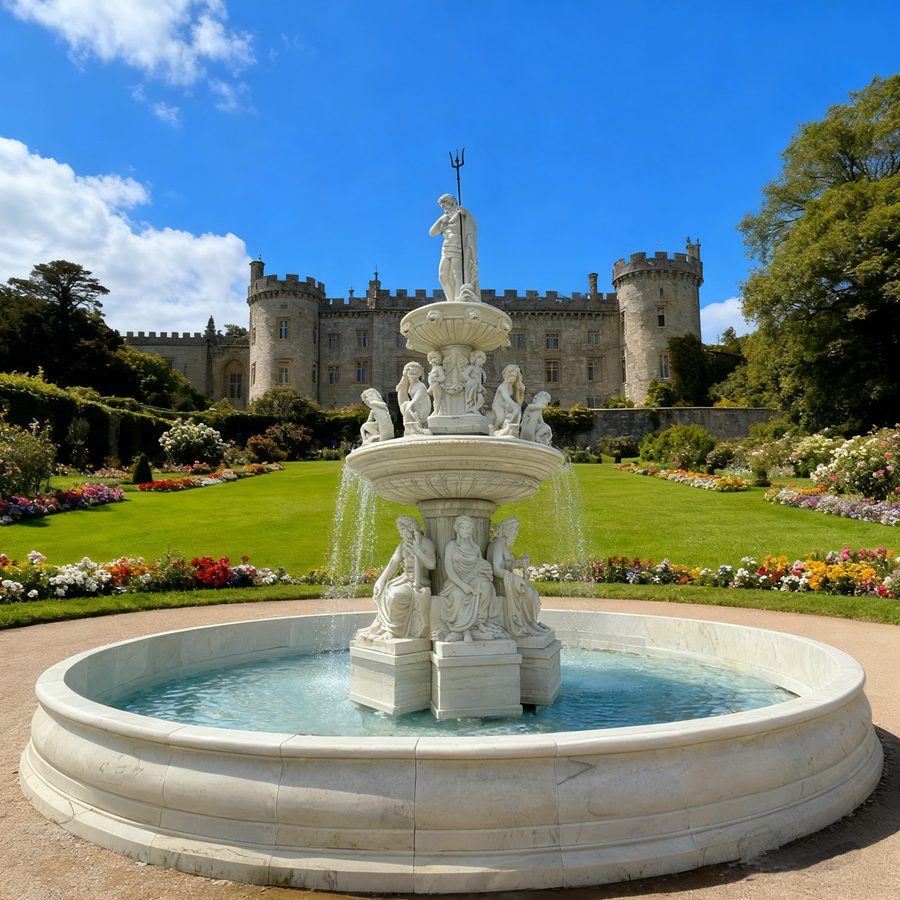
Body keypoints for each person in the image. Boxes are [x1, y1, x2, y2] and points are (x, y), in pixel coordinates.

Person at [361, 517, 436, 640]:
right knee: (385, 591)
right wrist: (381, 581)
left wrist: (418, 551)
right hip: (405, 580)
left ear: (410, 529)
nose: (400, 533)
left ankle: (393, 632)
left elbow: (432, 565)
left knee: (395, 596)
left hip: (419, 582)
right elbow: (393, 563)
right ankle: (383, 626)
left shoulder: (426, 544)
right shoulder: (404, 544)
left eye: (402, 530)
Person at [436, 515, 505, 642]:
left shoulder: (475, 548)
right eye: (463, 528)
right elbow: (449, 569)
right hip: (455, 581)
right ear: (457, 529)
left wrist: (486, 571)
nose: (466, 531)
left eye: (469, 528)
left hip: (473, 578)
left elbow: (480, 565)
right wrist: (463, 585)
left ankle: (479, 622)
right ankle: (463, 629)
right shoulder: (451, 546)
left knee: (487, 587)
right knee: (458, 595)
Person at [487, 517, 549, 639]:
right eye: (514, 531)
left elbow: (506, 565)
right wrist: (514, 579)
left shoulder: (502, 544)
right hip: (500, 585)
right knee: (529, 594)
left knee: (532, 593)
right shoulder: (498, 544)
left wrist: (519, 562)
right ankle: (525, 625)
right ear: (507, 531)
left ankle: (531, 623)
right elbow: (497, 569)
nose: (516, 534)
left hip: (505, 581)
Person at [428, 193, 479, 302]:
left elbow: (472, 225)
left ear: (451, 201)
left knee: (457, 274)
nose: (443, 207)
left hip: (458, 246)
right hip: (446, 246)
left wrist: (465, 215)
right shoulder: (444, 217)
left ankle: (458, 299)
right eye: (442, 206)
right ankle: (450, 300)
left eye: (444, 203)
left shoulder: (462, 213)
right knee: (443, 275)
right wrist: (443, 222)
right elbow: (432, 232)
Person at [396, 361, 431, 435]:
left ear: (420, 374)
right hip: (416, 408)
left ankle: (417, 428)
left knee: (406, 405)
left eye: (416, 373)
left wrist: (409, 405)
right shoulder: (411, 385)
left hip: (422, 409)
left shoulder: (420, 385)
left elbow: (416, 399)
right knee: (406, 405)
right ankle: (413, 428)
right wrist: (404, 378)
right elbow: (400, 390)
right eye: (411, 372)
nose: (414, 374)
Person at [491, 364, 525, 435]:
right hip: (498, 404)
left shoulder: (513, 387)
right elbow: (507, 398)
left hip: (506, 405)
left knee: (516, 409)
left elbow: (519, 403)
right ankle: (494, 430)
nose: (513, 378)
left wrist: (521, 392)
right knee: (500, 418)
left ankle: (508, 428)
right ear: (507, 375)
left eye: (515, 376)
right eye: (511, 376)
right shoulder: (503, 386)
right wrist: (515, 406)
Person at [426, 351, 448, 416]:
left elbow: (443, 378)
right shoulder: (433, 368)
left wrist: (435, 379)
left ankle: (436, 412)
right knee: (435, 400)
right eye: (430, 358)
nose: (431, 360)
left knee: (437, 399)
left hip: (436, 386)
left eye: (434, 358)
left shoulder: (439, 367)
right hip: (432, 386)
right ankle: (437, 411)